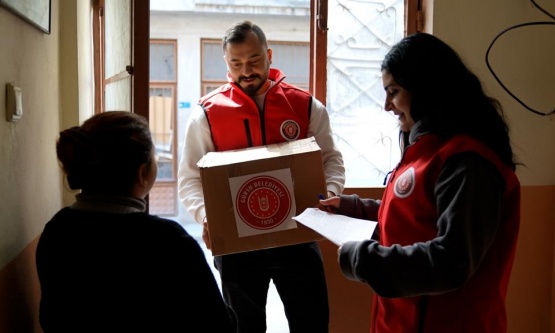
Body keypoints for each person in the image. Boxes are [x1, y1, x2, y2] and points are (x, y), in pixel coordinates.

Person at [319, 32, 521, 333]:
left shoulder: (468, 163)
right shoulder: (428, 151)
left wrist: (363, 259)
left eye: (394, 91)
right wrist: (353, 208)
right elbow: (415, 214)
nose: (387, 105)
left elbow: (451, 261)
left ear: (427, 88)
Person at [178, 20, 345, 332]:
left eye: (254, 60)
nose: (246, 71)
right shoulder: (206, 113)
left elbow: (330, 160)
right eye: (236, 63)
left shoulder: (305, 105)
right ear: (226, 63)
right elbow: (189, 178)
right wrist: (206, 216)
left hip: (298, 236)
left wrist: (327, 196)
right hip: (238, 246)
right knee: (244, 328)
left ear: (269, 54)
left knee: (311, 323)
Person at [36, 111, 236, 333]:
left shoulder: (57, 229)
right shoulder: (166, 240)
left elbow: (52, 317)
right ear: (143, 173)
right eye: (154, 158)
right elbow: (218, 324)